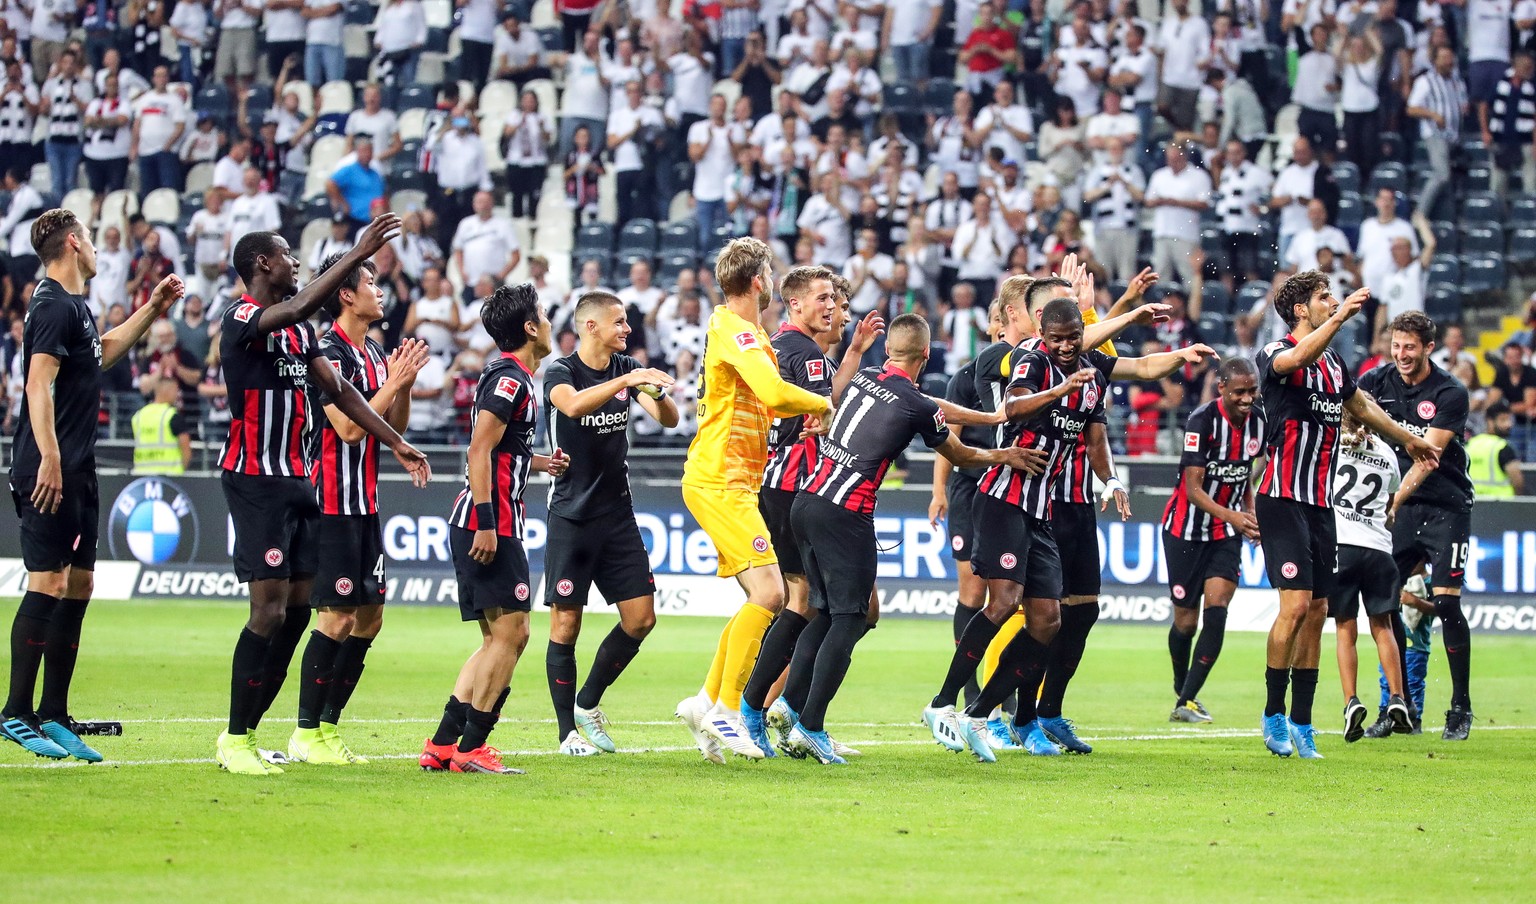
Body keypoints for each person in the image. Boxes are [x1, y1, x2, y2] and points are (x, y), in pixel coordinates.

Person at [214, 216, 431, 777]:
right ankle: (235, 738)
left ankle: (262, 729)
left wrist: (400, 444)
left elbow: (344, 394)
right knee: (267, 609)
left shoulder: (300, 335)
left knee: (296, 614)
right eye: (287, 256)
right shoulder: (243, 317)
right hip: (254, 478)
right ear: (263, 264)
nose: (294, 264)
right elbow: (290, 310)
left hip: (300, 483)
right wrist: (357, 251)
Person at [782, 313, 1043, 764]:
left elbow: (930, 403)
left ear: (890, 352)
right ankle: (811, 725)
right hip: (847, 513)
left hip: (806, 501)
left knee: (822, 613)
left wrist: (988, 415)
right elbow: (958, 452)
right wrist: (1004, 454)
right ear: (926, 354)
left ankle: (789, 710)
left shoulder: (866, 377)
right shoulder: (916, 406)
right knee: (852, 617)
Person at [0, 209, 183, 762]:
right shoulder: (53, 303)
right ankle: (15, 712)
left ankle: (54, 713)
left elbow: (99, 353)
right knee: (47, 584)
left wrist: (151, 310)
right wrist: (50, 458)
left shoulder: (75, 305)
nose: (101, 253)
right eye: (94, 242)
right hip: (48, 468)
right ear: (76, 243)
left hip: (78, 467)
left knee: (78, 585)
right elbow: (36, 386)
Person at [1254, 272, 1438, 760]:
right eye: (1323, 298)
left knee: (1317, 611)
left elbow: (1362, 404)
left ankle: (1303, 722)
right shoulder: (1275, 351)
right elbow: (1296, 359)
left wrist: (1408, 438)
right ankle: (1273, 711)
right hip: (1280, 497)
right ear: (1301, 310)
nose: (1332, 302)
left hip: (1321, 506)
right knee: (1294, 607)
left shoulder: (1334, 365)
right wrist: (1340, 316)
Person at [673, 237, 834, 763]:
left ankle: (703, 702)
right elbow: (772, 391)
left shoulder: (749, 333)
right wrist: (823, 403)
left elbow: (762, 404)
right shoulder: (735, 329)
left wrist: (798, 414)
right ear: (760, 280)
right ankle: (726, 707)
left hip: (736, 479)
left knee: (760, 597)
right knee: (770, 594)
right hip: (719, 478)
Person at [286, 253, 431, 766]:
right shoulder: (328, 354)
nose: (380, 290)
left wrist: (404, 383)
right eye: (370, 282)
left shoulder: (371, 351)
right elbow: (348, 428)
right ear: (346, 295)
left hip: (364, 503)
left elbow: (393, 423)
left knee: (369, 619)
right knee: (337, 616)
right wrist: (394, 380)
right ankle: (305, 733)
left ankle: (327, 727)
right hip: (330, 503)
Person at [419, 284, 568, 775]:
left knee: (495, 639)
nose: (548, 322)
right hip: (491, 523)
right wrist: (487, 522)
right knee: (514, 633)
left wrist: (538, 461)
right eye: (543, 315)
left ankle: (444, 744)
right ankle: (472, 748)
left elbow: (501, 449)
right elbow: (478, 451)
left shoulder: (512, 377)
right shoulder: (511, 380)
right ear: (529, 328)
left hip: (489, 519)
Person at [737, 266, 883, 756]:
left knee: (833, 606)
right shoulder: (806, 353)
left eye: (835, 298)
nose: (832, 305)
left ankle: (786, 712)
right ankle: (762, 709)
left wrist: (855, 350)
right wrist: (856, 355)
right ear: (794, 304)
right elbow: (829, 407)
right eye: (823, 297)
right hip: (797, 487)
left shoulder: (785, 347)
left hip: (793, 486)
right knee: (813, 604)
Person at [540, 292, 679, 757]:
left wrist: (653, 390)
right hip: (572, 517)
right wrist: (631, 376)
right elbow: (573, 406)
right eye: (618, 322)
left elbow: (668, 418)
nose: (626, 329)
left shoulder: (625, 367)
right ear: (590, 326)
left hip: (618, 515)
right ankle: (567, 735)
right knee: (566, 624)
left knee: (641, 619)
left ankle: (587, 704)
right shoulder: (562, 371)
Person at [1359, 311, 1477, 740]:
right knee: (1384, 605)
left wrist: (1393, 499)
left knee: (1446, 605)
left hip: (1445, 506)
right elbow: (1353, 425)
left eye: (1410, 347)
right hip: (1398, 510)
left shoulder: (1450, 392)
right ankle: (1398, 705)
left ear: (1429, 348)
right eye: (1396, 345)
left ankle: (1460, 708)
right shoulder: (1375, 383)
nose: (1401, 354)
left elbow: (1428, 458)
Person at [1163, 357, 1264, 723]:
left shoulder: (1259, 422)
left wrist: (1247, 515)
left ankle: (1187, 700)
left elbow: (1246, 475)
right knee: (1186, 623)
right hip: (1184, 531)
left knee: (1217, 612)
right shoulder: (1201, 422)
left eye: (1252, 390)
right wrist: (1235, 514)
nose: (1248, 398)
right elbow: (1193, 490)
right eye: (1240, 391)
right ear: (1221, 388)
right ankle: (1181, 689)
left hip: (1224, 534)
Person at [1329, 409, 1414, 742]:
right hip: (1378, 549)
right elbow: (1389, 503)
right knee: (1383, 626)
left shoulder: (1332, 444)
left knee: (1345, 629)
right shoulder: (1386, 452)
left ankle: (1351, 701)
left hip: (1342, 546)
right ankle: (1397, 696)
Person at [131, 373, 193, 474]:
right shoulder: (172, 416)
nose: (177, 394)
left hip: (141, 475)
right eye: (176, 390)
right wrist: (181, 471)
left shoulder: (138, 416)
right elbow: (186, 450)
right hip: (170, 477)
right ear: (167, 391)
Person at [1467, 399, 1523, 498]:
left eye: (1509, 419)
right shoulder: (1503, 447)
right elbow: (1517, 481)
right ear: (1490, 421)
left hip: (1473, 503)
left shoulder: (1471, 444)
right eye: (1503, 420)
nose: (1508, 424)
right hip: (1502, 506)